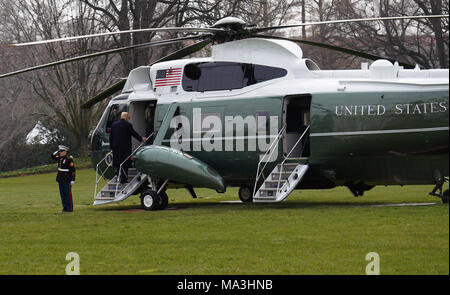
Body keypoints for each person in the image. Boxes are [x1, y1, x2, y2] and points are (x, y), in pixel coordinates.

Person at [109, 112, 146, 183]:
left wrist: (111, 147)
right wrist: (141, 139)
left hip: (115, 147)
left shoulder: (114, 125)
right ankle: (124, 179)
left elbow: (111, 137)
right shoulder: (128, 125)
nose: (128, 120)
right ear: (126, 117)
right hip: (125, 147)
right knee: (125, 162)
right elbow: (133, 133)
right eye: (128, 118)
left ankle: (118, 177)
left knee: (117, 162)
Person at [51, 145, 76, 213]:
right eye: (60, 151)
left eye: (61, 151)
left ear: (65, 152)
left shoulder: (69, 159)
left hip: (67, 178)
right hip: (60, 178)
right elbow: (53, 156)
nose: (60, 153)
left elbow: (73, 170)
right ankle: (64, 208)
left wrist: (73, 179)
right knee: (62, 195)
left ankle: (69, 209)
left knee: (68, 194)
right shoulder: (59, 158)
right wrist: (56, 152)